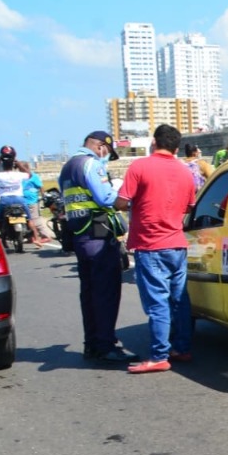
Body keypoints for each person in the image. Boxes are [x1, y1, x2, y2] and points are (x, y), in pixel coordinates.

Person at [114, 124, 196, 374]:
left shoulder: (140, 166)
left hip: (150, 245)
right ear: (177, 147)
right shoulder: (186, 173)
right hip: (177, 244)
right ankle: (181, 348)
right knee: (179, 299)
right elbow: (190, 207)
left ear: (154, 142)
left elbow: (121, 202)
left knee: (157, 302)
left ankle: (159, 355)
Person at [59, 130, 133, 364]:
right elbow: (105, 198)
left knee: (89, 294)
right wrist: (128, 198)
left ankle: (91, 343)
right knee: (106, 293)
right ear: (101, 146)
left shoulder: (67, 167)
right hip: (99, 236)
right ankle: (105, 345)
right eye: (108, 152)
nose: (106, 158)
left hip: (80, 236)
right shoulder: (91, 164)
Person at [0, 145, 29, 225]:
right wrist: (17, 162)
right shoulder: (18, 175)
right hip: (19, 199)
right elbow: (28, 174)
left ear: (2, 165)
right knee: (29, 220)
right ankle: (36, 236)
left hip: (4, 200)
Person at [21, 164, 55, 247]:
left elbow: (41, 187)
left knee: (35, 220)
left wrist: (43, 197)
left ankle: (46, 236)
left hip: (32, 201)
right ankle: (30, 236)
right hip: (22, 201)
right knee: (26, 219)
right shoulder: (21, 177)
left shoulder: (33, 177)